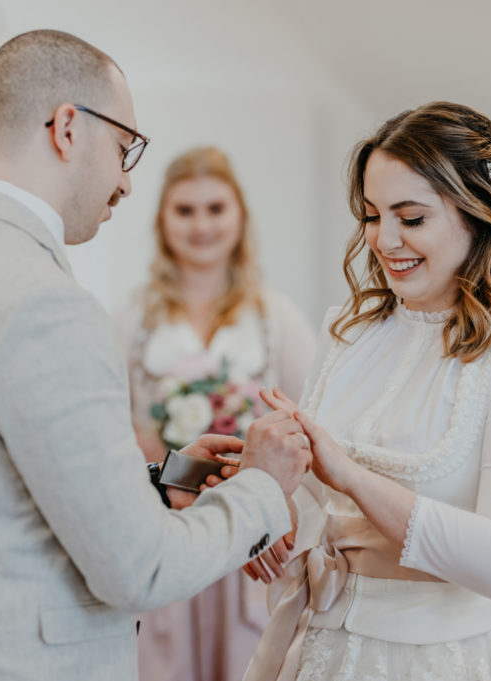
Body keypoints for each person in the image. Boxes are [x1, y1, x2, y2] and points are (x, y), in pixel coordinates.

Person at [0, 29, 310, 681]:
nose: (125, 181)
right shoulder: (47, 305)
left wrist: (171, 475)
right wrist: (263, 484)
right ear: (68, 128)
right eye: (125, 148)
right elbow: (139, 568)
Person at [241, 102, 491, 680]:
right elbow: (316, 507)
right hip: (327, 647)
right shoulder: (344, 332)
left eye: (412, 218)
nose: (384, 239)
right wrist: (263, 497)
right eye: (372, 216)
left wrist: (348, 473)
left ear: (476, 214)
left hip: (456, 656)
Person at [113, 146, 316, 681]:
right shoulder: (131, 316)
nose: (200, 225)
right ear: (163, 220)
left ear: (240, 215)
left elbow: (307, 423)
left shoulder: (277, 317)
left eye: (215, 208)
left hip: (252, 532)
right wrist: (174, 470)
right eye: (185, 210)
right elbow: (114, 424)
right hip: (167, 524)